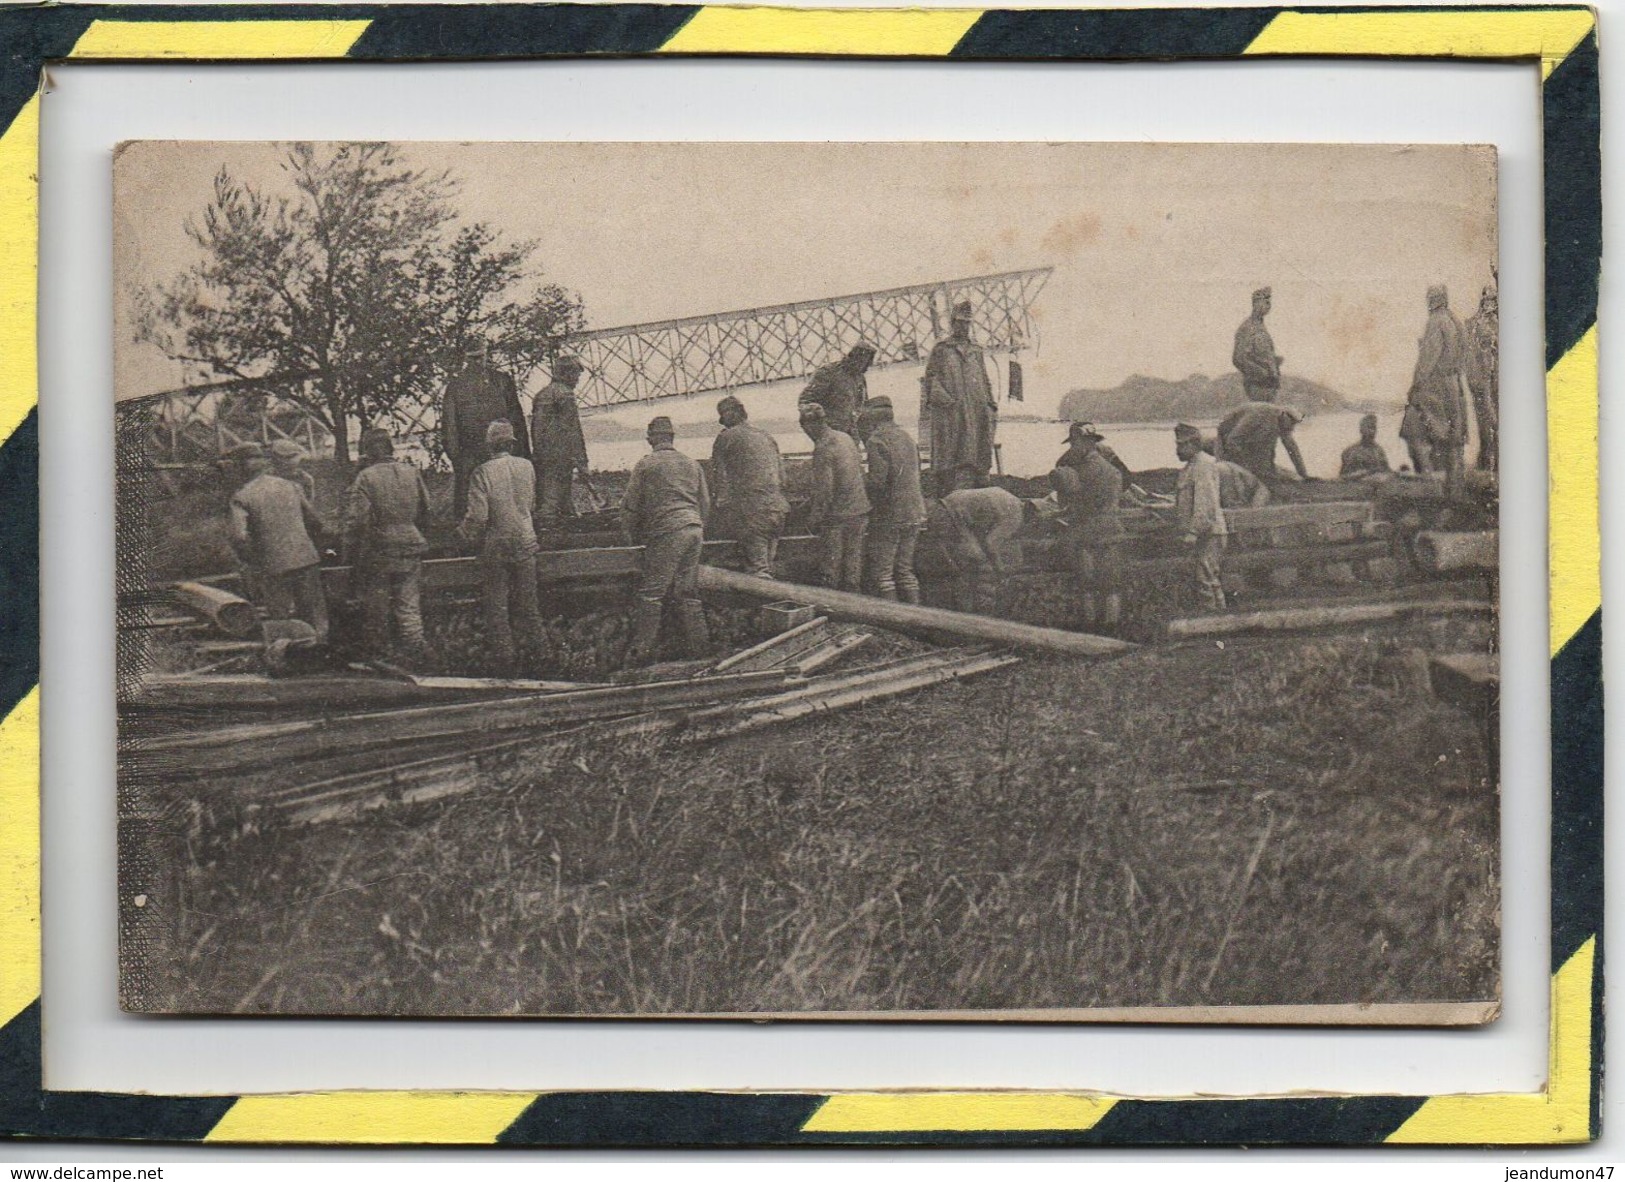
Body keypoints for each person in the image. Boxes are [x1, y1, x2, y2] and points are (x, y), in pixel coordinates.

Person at [622, 416, 711, 664]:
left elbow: (630, 505)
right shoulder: (691, 464)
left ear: (651, 438)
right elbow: (705, 503)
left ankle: (640, 654)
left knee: (652, 594)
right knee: (687, 592)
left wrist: (629, 536)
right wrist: (697, 525)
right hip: (694, 529)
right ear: (672, 437)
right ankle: (701, 649)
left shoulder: (647, 464)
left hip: (669, 532)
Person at [460, 420, 543, 675]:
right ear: (510, 443)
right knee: (529, 603)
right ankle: (543, 654)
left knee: (497, 605)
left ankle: (505, 660)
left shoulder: (482, 473)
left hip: (496, 545)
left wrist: (463, 536)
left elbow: (478, 517)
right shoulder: (526, 466)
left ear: (489, 446)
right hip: (526, 540)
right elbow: (530, 505)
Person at [343, 426, 430, 661]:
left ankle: (381, 657)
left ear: (367, 451)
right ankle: (417, 653)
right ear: (390, 447)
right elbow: (425, 508)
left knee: (377, 607)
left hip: (380, 548)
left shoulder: (366, 477)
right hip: (411, 543)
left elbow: (357, 520)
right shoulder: (411, 472)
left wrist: (349, 550)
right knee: (409, 605)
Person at [230, 445, 329, 641]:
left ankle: (290, 654)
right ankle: (321, 649)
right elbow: (316, 522)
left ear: (240, 468)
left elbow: (239, 537)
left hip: (272, 563)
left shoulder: (242, 496)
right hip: (305, 557)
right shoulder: (291, 486)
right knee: (314, 612)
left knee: (281, 616)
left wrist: (252, 560)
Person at [442, 338, 530, 517]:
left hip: (502, 453)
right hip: (471, 456)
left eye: (481, 357)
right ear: (466, 359)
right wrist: (457, 459)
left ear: (486, 355)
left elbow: (517, 418)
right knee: (470, 507)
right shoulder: (455, 387)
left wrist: (523, 452)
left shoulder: (502, 381)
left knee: (507, 506)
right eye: (473, 358)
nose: (477, 362)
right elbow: (449, 427)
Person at [1048, 423, 1123, 632]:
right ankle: (1113, 626)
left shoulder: (1077, 471)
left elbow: (1070, 504)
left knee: (1087, 583)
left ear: (1085, 442)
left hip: (1087, 532)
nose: (1072, 447)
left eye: (1074, 442)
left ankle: (1090, 628)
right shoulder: (1112, 470)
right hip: (1112, 530)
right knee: (1111, 584)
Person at [710, 394, 789, 578]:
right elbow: (783, 479)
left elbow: (720, 479)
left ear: (730, 415)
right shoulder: (766, 436)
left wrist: (722, 507)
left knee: (759, 572)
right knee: (767, 564)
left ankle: (762, 604)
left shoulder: (726, 438)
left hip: (753, 512)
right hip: (778, 509)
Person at [855, 397, 926, 603]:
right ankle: (916, 616)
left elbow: (878, 482)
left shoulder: (877, 440)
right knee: (905, 570)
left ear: (871, 420)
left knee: (883, 574)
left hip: (891, 514)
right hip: (915, 511)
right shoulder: (907, 437)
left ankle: (892, 621)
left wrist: (861, 480)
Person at [922, 300, 997, 493]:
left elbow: (983, 376)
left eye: (967, 323)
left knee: (977, 450)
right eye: (959, 322)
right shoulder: (941, 349)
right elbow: (930, 379)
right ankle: (948, 489)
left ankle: (978, 484)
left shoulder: (976, 350)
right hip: (951, 411)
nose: (963, 327)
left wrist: (990, 403)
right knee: (950, 453)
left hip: (976, 408)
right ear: (952, 323)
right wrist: (944, 399)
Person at [1399, 285, 1469, 481]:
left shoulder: (1436, 321)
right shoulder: (1455, 321)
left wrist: (1415, 385)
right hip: (1455, 384)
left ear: (1433, 300)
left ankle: (1429, 477)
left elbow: (1428, 359)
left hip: (1437, 385)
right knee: (1455, 434)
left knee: (1416, 424)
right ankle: (1454, 479)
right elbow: (1464, 354)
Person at [800, 403, 870, 593]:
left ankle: (833, 609)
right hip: (860, 510)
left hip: (838, 516)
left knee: (831, 567)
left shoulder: (823, 447)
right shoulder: (844, 437)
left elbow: (825, 491)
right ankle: (854, 607)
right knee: (853, 565)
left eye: (805, 428)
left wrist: (813, 519)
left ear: (809, 425)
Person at [926, 485, 1024, 615]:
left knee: (971, 561)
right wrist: (1000, 569)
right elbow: (991, 544)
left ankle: (968, 606)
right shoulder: (1015, 515)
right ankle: (969, 611)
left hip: (948, 504)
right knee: (973, 563)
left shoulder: (1011, 500)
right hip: (951, 514)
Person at [530, 354, 590, 534]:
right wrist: (582, 462)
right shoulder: (565, 394)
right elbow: (572, 430)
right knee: (555, 504)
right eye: (576, 375)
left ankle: (552, 537)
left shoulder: (542, 394)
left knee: (550, 500)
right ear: (567, 374)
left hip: (542, 457)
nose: (578, 380)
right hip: (560, 457)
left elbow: (537, 430)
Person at [1175, 422, 1228, 612]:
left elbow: (1205, 504)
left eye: (1182, 445)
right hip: (1204, 532)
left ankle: (1214, 619)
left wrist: (1193, 532)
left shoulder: (1203, 465)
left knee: (1205, 578)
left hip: (1209, 533)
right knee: (1205, 578)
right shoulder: (1192, 467)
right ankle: (1217, 617)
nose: (1177, 450)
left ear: (1195, 444)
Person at [1217, 401, 1309, 483]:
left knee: (1268, 472)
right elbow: (1232, 440)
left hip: (1248, 440)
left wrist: (1304, 475)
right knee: (1241, 476)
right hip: (1227, 437)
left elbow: (1292, 449)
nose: (1292, 428)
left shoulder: (1283, 423)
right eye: (1291, 423)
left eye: (1294, 424)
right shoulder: (1260, 414)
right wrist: (1247, 465)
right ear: (1283, 415)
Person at [800, 343, 876, 435]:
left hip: (852, 432)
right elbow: (806, 400)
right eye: (866, 363)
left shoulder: (859, 377)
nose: (868, 367)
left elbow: (863, 404)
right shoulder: (828, 373)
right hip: (830, 432)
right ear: (856, 359)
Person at [1463, 281, 1499, 472]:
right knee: (1483, 420)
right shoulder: (1473, 324)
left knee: (1493, 419)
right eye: (1486, 299)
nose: (1489, 304)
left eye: (1492, 300)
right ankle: (1486, 459)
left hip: (1492, 379)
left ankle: (1493, 462)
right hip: (1479, 379)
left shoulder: (1495, 325)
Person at [1232, 286, 1283, 402]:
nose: (1268, 306)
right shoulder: (1247, 328)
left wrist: (1275, 362)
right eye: (1265, 302)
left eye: (1269, 303)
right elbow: (1238, 358)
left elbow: (1262, 354)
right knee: (1261, 416)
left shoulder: (1261, 327)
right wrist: (1261, 372)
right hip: (1257, 385)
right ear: (1255, 304)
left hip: (1270, 384)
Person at [1339, 413, 1392, 480]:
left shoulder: (1379, 451)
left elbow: (1387, 471)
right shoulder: (1351, 452)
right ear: (1361, 430)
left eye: (1374, 428)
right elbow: (1343, 477)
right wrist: (1363, 474)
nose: (1372, 431)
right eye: (1369, 427)